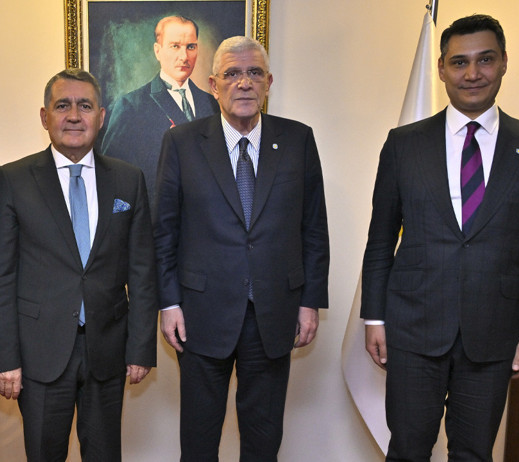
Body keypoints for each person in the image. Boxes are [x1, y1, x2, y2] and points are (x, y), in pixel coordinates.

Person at [362, 14, 519, 461]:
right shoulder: (403, 144)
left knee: (475, 453)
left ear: (504, 62)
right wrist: (374, 318)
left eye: (485, 60)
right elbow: (380, 240)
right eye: (459, 62)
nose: (472, 73)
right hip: (412, 328)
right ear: (441, 69)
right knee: (408, 450)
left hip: (494, 332)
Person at [154, 36, 330, 461]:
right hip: (200, 315)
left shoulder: (298, 139)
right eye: (232, 74)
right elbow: (163, 231)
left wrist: (310, 301)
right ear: (213, 85)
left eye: (254, 73)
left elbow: (314, 229)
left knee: (263, 442)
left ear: (269, 82)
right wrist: (169, 303)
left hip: (273, 313)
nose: (244, 83)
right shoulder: (182, 143)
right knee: (199, 443)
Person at [0, 69, 158, 462]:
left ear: (102, 116)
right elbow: (0, 276)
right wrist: (5, 357)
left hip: (107, 350)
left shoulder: (128, 180)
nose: (75, 116)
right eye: (62, 105)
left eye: (85, 106)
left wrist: (140, 347)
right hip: (39, 353)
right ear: (44, 116)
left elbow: (142, 272)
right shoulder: (14, 179)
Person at [101, 15, 219, 204]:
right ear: (158, 51)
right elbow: (112, 176)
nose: (184, 56)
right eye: (175, 46)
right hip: (154, 217)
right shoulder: (131, 106)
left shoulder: (213, 104)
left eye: (191, 47)